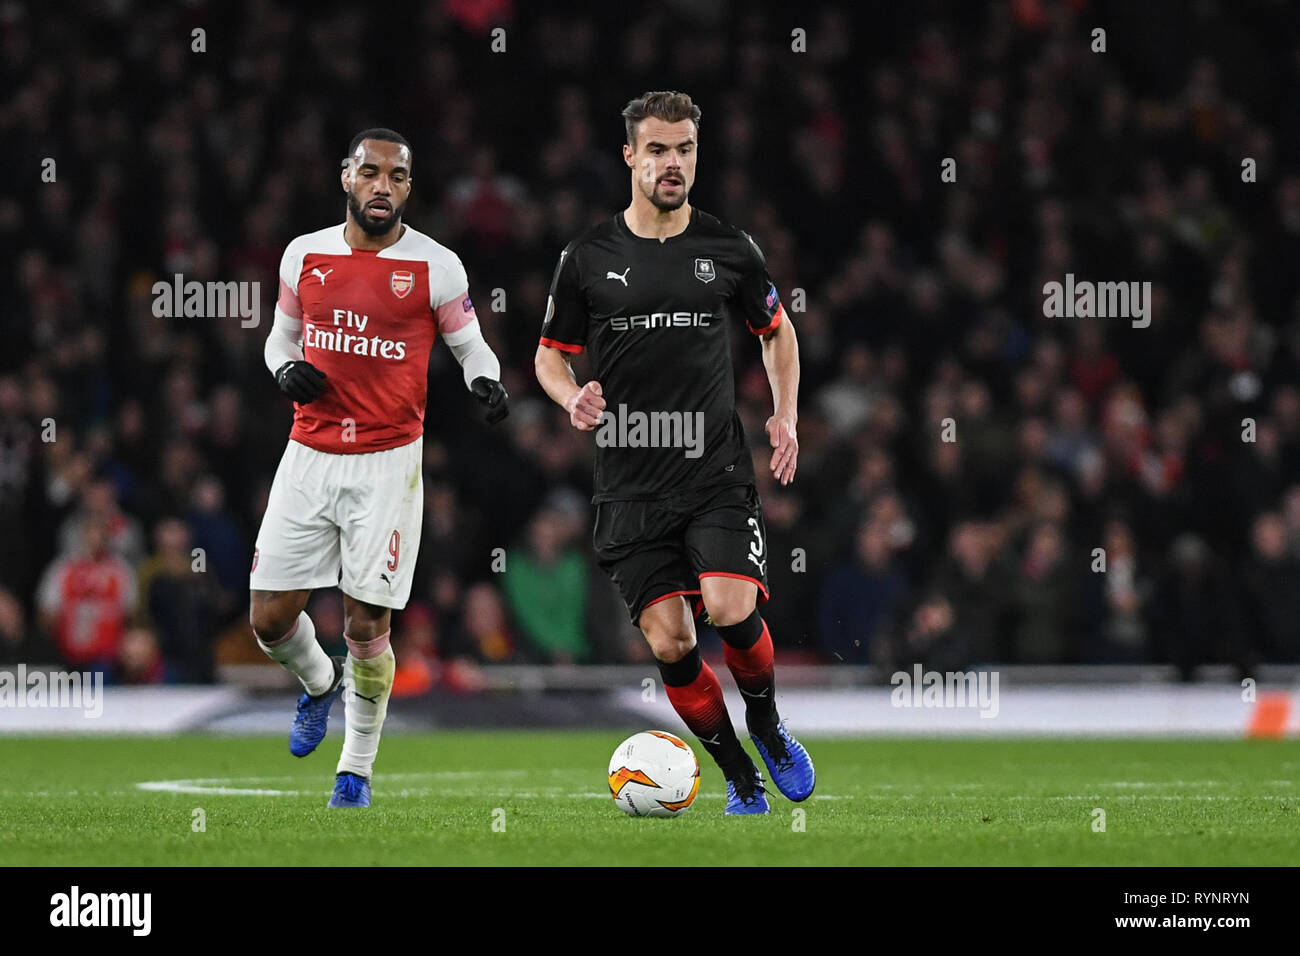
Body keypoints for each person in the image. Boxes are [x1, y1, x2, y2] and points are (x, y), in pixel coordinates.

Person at [534, 91, 814, 814]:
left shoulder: (728, 248)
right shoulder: (587, 258)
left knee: (729, 607)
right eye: (657, 149)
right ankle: (740, 777)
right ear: (629, 155)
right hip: (628, 485)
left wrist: (783, 414)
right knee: (669, 642)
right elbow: (547, 355)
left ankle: (770, 725)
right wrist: (571, 397)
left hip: (714, 471)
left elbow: (776, 332)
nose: (672, 163)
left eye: (684, 149)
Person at [249, 128, 509, 808]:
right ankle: (315, 684)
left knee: (366, 625)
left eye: (397, 176)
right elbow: (280, 336)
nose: (382, 185)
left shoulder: (435, 266)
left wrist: (486, 382)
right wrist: (285, 368)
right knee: (270, 620)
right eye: (370, 172)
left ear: (408, 189)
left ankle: (355, 771)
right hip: (309, 453)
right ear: (347, 178)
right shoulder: (304, 254)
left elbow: (473, 346)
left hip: (388, 463)